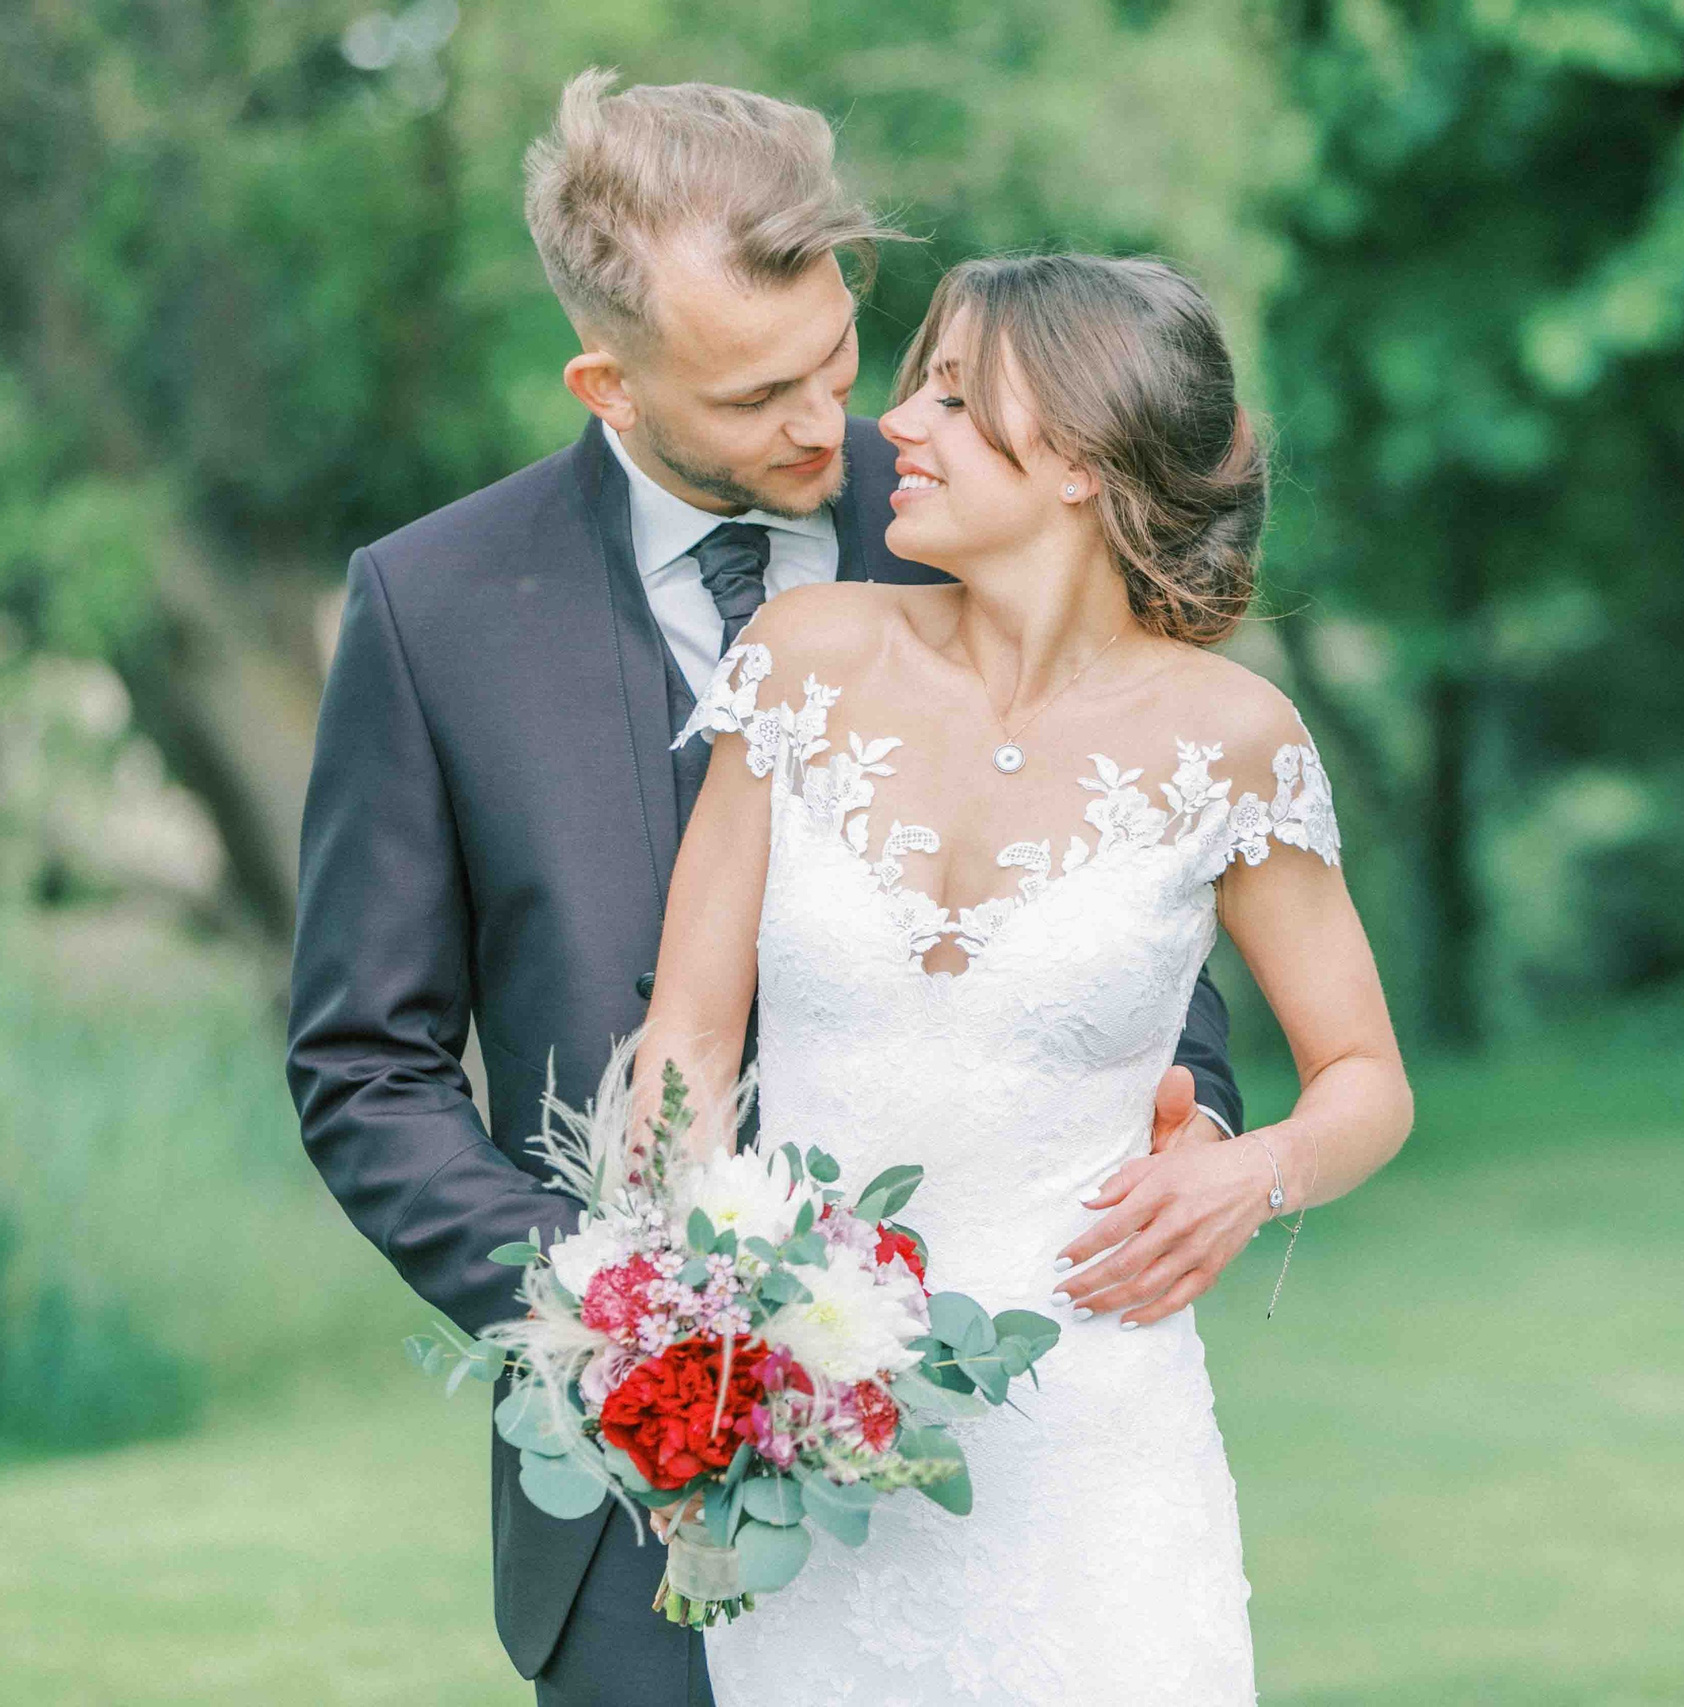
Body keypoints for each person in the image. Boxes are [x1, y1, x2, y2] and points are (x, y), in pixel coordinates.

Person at [284, 73, 1250, 1707]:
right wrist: (614, 1323)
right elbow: (362, 1064)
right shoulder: (433, 609)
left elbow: (1135, 879)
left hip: (1011, 1465)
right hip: (633, 1508)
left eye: (836, 363)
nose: (830, 428)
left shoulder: (987, 521)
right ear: (607, 381)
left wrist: (1198, 1125)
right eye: (753, 399)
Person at [634, 251, 1415, 1703]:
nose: (894, 429)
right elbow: (687, 1031)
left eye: (948, 393)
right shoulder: (799, 659)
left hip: (1098, 1461)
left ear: (1075, 453)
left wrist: (1257, 1173)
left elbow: (1368, 1083)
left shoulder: (1232, 738)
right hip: (811, 1449)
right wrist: (696, 1335)